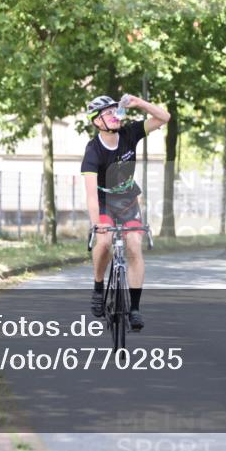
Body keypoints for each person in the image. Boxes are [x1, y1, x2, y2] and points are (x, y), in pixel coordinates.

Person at [82, 94, 170, 332]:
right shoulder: (93, 151)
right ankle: (99, 287)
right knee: (104, 241)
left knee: (133, 244)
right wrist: (96, 224)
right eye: (108, 113)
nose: (114, 115)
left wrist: (140, 104)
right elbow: (91, 195)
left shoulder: (130, 133)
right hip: (104, 201)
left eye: (115, 110)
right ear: (97, 121)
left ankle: (134, 308)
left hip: (128, 200)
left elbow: (164, 117)